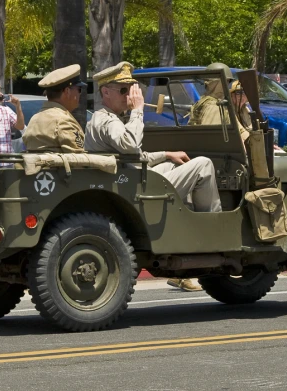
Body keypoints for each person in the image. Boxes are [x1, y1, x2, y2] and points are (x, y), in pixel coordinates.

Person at [85, 61, 222, 293]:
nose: (129, 95)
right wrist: (138, 110)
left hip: (131, 178)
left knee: (172, 164)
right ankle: (212, 231)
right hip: (133, 187)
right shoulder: (105, 120)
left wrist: (166, 154)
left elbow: (135, 156)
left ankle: (192, 227)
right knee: (203, 165)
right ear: (105, 92)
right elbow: (130, 145)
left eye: (132, 89)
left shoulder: (111, 118)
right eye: (123, 90)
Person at [23, 64, 86, 153]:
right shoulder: (63, 121)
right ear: (67, 91)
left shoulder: (34, 118)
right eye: (79, 89)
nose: (80, 94)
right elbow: (79, 160)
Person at [189, 62, 233, 127]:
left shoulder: (204, 102)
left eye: (228, 81)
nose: (227, 85)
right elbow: (211, 135)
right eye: (226, 81)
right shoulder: (215, 107)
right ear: (218, 82)